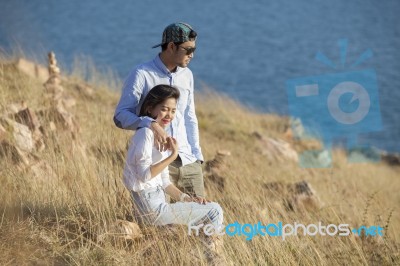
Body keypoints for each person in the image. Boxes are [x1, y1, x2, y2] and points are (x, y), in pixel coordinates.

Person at [123, 84, 224, 263]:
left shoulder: (161, 136)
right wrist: (173, 156)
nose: (169, 115)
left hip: (156, 203)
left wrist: (187, 199)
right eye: (164, 109)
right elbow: (145, 176)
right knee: (214, 211)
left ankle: (201, 257)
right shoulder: (145, 134)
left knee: (205, 210)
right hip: (151, 207)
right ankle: (214, 260)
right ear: (149, 108)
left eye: (173, 110)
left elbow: (165, 182)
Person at [114, 22, 205, 199]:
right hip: (159, 164)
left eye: (194, 50)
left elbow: (189, 117)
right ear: (171, 46)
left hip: (189, 161)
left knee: (200, 220)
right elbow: (120, 116)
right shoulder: (141, 74)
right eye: (187, 50)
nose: (192, 55)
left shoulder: (187, 75)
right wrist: (150, 124)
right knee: (167, 225)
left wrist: (197, 156)